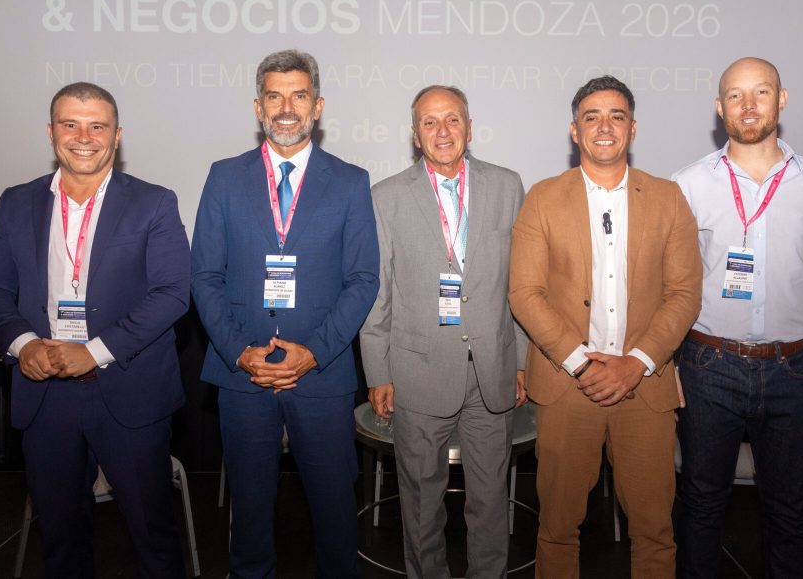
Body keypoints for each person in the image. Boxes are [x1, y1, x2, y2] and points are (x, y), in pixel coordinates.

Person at [0, 82, 190, 578]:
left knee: (153, 537)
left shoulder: (154, 203)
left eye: (97, 126)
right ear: (51, 132)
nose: (84, 138)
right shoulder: (16, 202)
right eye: (70, 124)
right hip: (46, 393)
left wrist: (94, 351)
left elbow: (173, 293)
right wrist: (24, 344)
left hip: (130, 391)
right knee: (61, 539)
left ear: (117, 135)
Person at [672, 57, 803, 578]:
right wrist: (667, 364)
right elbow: (671, 286)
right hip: (708, 367)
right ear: (720, 107)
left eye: (761, 92)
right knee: (700, 505)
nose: (749, 105)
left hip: (794, 371)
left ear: (782, 99)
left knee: (791, 510)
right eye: (735, 95)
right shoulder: (688, 184)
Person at [192, 49, 379, 578]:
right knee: (249, 517)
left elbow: (363, 279)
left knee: (335, 514)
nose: (287, 108)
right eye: (274, 96)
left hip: (321, 374)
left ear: (318, 106)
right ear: (258, 107)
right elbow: (204, 275)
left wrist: (314, 352)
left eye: (299, 95)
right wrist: (239, 352)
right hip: (242, 375)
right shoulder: (223, 177)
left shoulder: (350, 181)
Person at [509, 75, 702, 578]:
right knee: (557, 529)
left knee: (655, 532)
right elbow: (524, 293)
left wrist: (635, 364)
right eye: (591, 117)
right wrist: (582, 364)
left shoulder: (669, 198)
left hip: (645, 388)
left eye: (617, 116)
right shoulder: (543, 198)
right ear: (574, 130)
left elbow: (684, 294)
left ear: (632, 129)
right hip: (567, 385)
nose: (604, 127)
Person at [360, 85, 527, 578]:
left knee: (490, 501)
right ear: (415, 136)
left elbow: (521, 284)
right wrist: (378, 371)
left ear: (469, 129)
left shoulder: (507, 186)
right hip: (416, 371)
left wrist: (521, 361)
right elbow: (378, 291)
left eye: (452, 119)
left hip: (492, 370)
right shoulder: (386, 197)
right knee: (419, 503)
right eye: (429, 122)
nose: (442, 131)